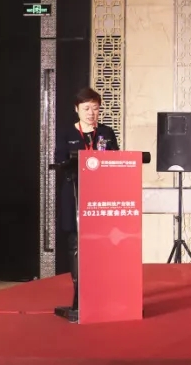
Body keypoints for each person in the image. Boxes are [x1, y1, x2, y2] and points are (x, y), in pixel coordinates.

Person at [53, 87, 120, 311]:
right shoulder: (66, 133)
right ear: (77, 109)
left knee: (102, 242)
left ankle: (103, 291)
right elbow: (60, 160)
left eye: (95, 108)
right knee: (76, 242)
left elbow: (116, 160)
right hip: (74, 193)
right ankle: (79, 293)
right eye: (86, 108)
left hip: (101, 195)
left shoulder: (107, 132)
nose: (91, 113)